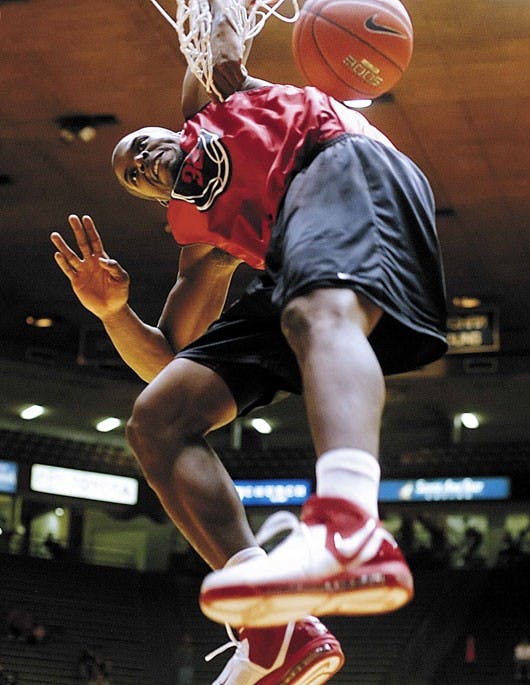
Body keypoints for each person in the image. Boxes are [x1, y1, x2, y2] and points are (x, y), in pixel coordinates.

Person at [50, 0, 447, 681]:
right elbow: (171, 356)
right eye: (131, 172)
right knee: (158, 420)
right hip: (298, 243)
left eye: (141, 143)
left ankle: (348, 520)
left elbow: (220, 48)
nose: (141, 159)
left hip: (344, 163)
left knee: (312, 309)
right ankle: (275, 629)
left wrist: (216, 11)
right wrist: (114, 311)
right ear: (150, 197)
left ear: (172, 129)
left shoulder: (213, 109)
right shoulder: (203, 237)